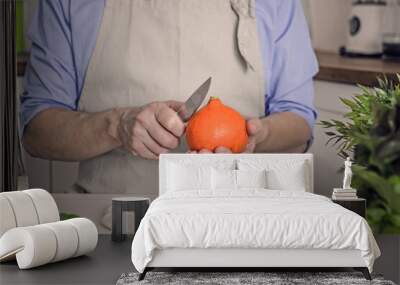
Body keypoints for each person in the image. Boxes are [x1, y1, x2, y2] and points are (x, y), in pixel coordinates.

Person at [21, 0, 318, 196]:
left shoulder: (277, 3)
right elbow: (37, 132)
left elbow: (300, 124)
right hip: (114, 228)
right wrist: (116, 126)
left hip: (239, 224)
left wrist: (257, 136)